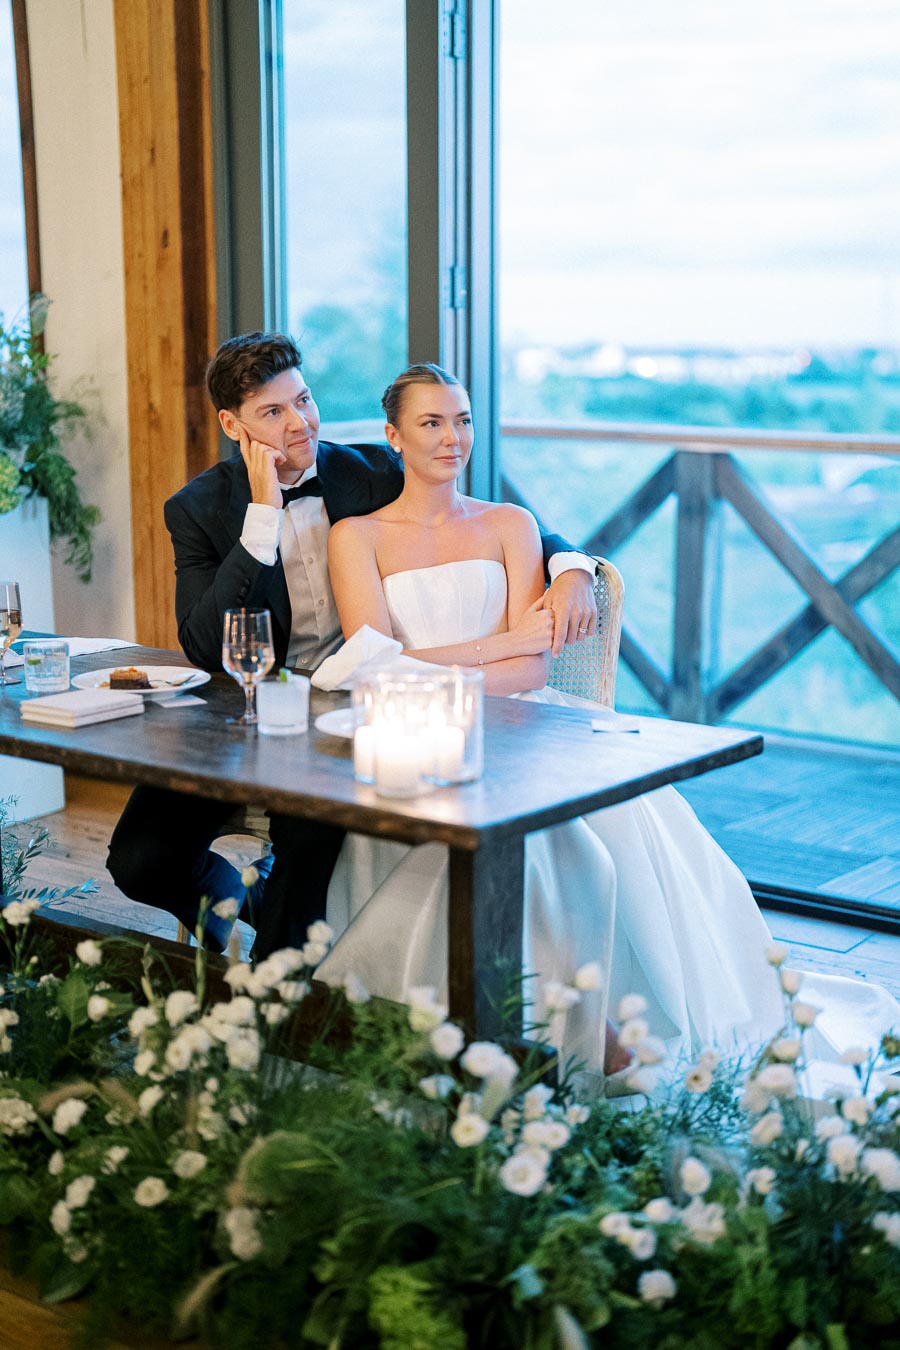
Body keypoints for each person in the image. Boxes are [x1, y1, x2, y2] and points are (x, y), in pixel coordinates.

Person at [315, 363, 900, 1079]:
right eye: (432, 422)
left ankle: (604, 1025)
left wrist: (441, 660)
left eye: (462, 420)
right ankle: (528, 1030)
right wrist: (501, 643)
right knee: (525, 840)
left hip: (522, 724)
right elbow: (379, 666)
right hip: (416, 734)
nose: (452, 437)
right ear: (392, 436)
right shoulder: (356, 536)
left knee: (611, 824)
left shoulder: (510, 524)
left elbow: (533, 672)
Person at [106, 334, 599, 955]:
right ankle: (239, 902)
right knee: (139, 858)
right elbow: (206, 645)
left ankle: (279, 984)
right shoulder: (198, 508)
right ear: (233, 425)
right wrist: (261, 518)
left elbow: (483, 518)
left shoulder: (368, 471)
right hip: (247, 714)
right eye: (273, 413)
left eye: (304, 401)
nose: (300, 423)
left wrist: (573, 566)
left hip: (356, 703)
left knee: (310, 839)